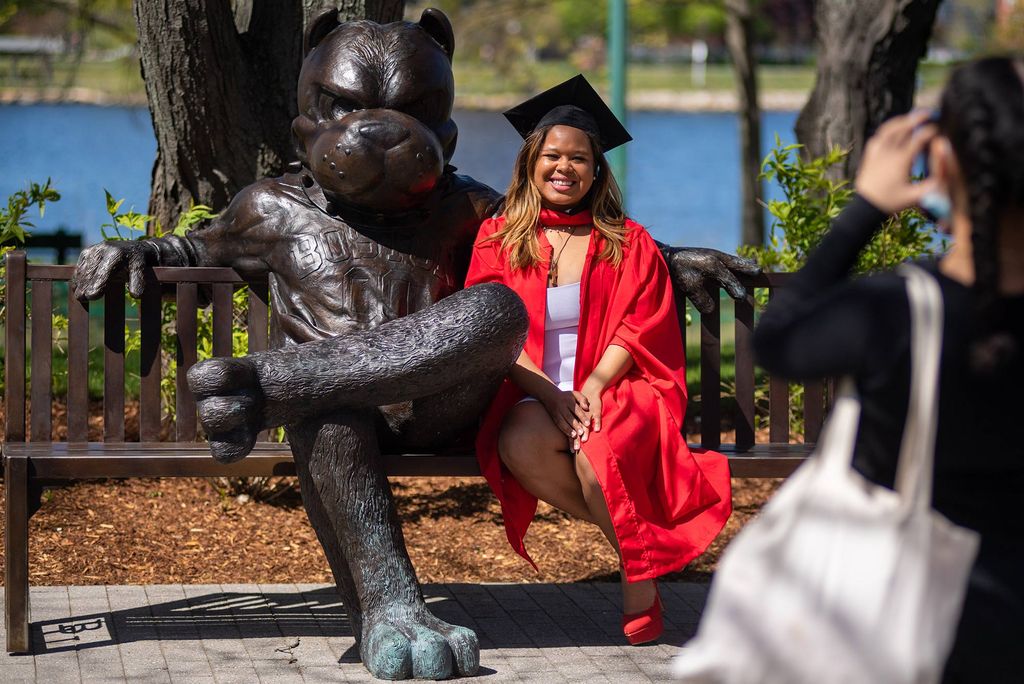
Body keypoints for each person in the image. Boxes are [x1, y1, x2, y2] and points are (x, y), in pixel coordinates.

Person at [753, 57, 1024, 682]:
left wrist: (868, 205)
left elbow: (778, 339)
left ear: (946, 158)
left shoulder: (895, 311)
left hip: (916, 616)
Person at [464, 75, 732, 645]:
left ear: (596, 169)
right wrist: (551, 393)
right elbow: (490, 335)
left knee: (596, 449)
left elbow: (641, 324)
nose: (565, 168)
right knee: (519, 442)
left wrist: (588, 386)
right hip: (530, 388)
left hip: (618, 386)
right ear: (531, 163)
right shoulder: (498, 238)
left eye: (579, 158)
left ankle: (639, 579)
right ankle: (643, 541)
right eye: (553, 156)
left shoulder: (626, 240)